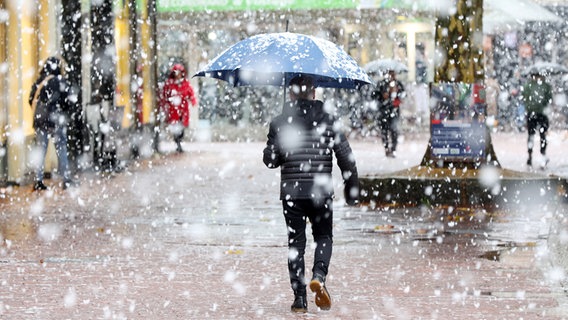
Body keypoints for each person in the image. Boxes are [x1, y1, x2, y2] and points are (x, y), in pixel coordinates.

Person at [263, 75, 359, 313]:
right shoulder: (328, 118)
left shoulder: (280, 121)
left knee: (296, 242)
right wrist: (352, 190)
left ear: (291, 94)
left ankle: (299, 298)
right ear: (314, 94)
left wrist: (275, 145)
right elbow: (346, 158)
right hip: (321, 192)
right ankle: (319, 276)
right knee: (324, 237)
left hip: (291, 194)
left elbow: (270, 161)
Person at [28, 56, 74, 191]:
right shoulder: (59, 81)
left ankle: (38, 180)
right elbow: (67, 101)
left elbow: (31, 99)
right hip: (55, 120)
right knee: (61, 148)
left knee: (41, 150)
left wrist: (41, 112)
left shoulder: (40, 81)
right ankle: (66, 179)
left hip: (40, 120)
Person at [160, 63, 197, 153]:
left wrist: (193, 101)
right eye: (176, 73)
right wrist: (164, 104)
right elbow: (164, 95)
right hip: (173, 110)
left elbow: (190, 92)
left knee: (182, 127)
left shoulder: (185, 83)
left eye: (179, 73)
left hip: (183, 109)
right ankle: (178, 143)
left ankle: (179, 141)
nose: (178, 75)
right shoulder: (169, 83)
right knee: (175, 127)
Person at [522, 72, 552, 167]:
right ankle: (542, 155)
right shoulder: (546, 86)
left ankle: (530, 156)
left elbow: (525, 98)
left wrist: (529, 107)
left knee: (531, 135)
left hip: (532, 114)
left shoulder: (528, 85)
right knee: (542, 135)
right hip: (542, 114)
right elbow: (549, 98)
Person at [373, 69, 405, 157]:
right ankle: (386, 148)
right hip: (383, 111)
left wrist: (397, 93)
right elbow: (374, 95)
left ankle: (393, 149)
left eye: (393, 73)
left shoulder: (398, 84)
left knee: (394, 130)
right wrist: (383, 95)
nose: (392, 75)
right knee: (384, 131)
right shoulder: (381, 84)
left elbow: (403, 94)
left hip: (394, 110)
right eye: (390, 73)